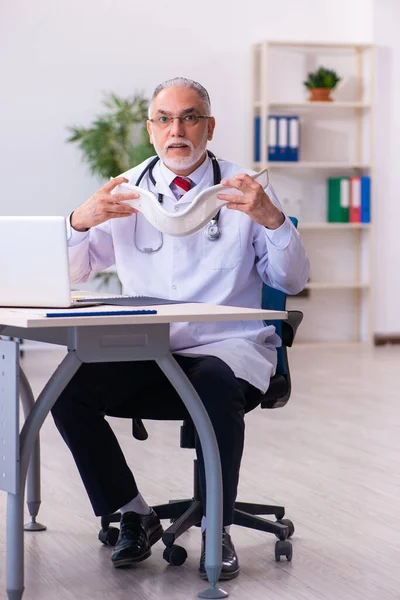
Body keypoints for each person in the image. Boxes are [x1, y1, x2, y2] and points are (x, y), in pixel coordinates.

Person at [52, 77, 309, 580]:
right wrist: (78, 223)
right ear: (151, 130)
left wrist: (273, 219)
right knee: (68, 394)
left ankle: (217, 525)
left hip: (226, 348)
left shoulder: (245, 190)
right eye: (165, 119)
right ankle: (132, 512)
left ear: (209, 127)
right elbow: (74, 274)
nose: (178, 129)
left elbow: (292, 279)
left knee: (212, 381)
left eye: (190, 117)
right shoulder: (125, 191)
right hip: (148, 349)